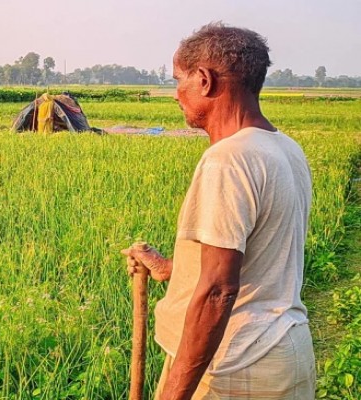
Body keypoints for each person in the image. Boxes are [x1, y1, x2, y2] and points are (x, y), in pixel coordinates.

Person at [121, 23, 315, 400]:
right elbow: (250, 261)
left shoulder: (228, 159)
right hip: (282, 352)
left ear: (205, 80)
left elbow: (219, 290)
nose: (176, 94)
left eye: (179, 80)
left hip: (234, 366)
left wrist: (174, 394)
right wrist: (164, 266)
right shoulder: (285, 148)